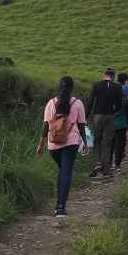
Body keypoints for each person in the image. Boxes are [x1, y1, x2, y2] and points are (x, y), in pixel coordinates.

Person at [37, 76, 90, 218]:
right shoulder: (78, 103)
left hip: (53, 144)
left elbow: (46, 126)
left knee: (63, 171)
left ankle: (59, 204)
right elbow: (81, 125)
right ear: (72, 88)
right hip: (71, 143)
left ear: (59, 87)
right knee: (66, 172)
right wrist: (85, 142)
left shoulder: (51, 103)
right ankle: (60, 208)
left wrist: (41, 144)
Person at [84, 67, 124, 178]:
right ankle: (106, 169)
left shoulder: (96, 85)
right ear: (113, 76)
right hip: (110, 116)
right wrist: (114, 111)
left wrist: (86, 116)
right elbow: (119, 104)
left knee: (96, 140)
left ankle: (96, 164)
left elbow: (91, 101)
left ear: (104, 75)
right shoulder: (117, 87)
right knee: (107, 143)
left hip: (98, 116)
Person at [112, 73, 128, 171]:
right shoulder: (125, 97)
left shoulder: (111, 96)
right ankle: (118, 163)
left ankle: (109, 163)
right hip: (122, 124)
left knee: (112, 142)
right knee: (121, 143)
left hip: (111, 123)